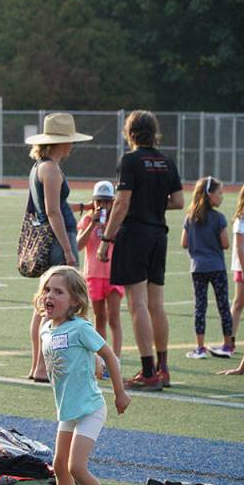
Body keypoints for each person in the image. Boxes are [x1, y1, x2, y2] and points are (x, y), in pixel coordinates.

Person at [33, 266, 130, 485]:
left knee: (76, 466)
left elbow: (108, 355)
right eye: (47, 290)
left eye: (58, 292)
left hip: (89, 408)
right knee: (59, 466)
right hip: (68, 410)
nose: (49, 296)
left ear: (75, 301)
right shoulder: (46, 328)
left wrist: (119, 392)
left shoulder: (81, 328)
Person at [98, 110, 184, 391]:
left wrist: (106, 239)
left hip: (135, 234)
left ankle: (148, 372)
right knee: (156, 303)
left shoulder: (131, 160)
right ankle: (163, 368)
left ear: (130, 132)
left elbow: (122, 203)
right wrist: (153, 202)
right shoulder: (166, 160)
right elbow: (179, 201)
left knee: (137, 304)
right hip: (159, 234)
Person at [24, 113, 93, 382]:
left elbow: (51, 206)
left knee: (42, 304)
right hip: (56, 241)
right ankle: (42, 367)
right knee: (50, 305)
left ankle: (37, 366)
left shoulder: (41, 166)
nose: (72, 146)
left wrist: (82, 208)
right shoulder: (50, 168)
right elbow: (52, 211)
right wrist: (67, 248)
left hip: (52, 237)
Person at [181, 177, 234, 359]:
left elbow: (184, 242)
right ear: (210, 195)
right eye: (220, 193)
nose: (222, 197)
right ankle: (228, 345)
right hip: (217, 267)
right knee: (223, 306)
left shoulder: (190, 218)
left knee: (200, 307)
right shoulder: (219, 218)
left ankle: (200, 348)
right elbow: (225, 244)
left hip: (198, 269)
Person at [76, 181, 124, 370]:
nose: (102, 206)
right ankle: (102, 358)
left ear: (113, 202)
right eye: (98, 201)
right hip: (93, 275)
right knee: (99, 317)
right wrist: (93, 224)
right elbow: (79, 245)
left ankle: (116, 358)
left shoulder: (117, 221)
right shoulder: (88, 220)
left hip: (114, 274)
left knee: (114, 317)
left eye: (106, 202)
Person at [230, 186, 244, 355]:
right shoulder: (241, 219)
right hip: (242, 267)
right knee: (239, 303)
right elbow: (239, 247)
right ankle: (230, 340)